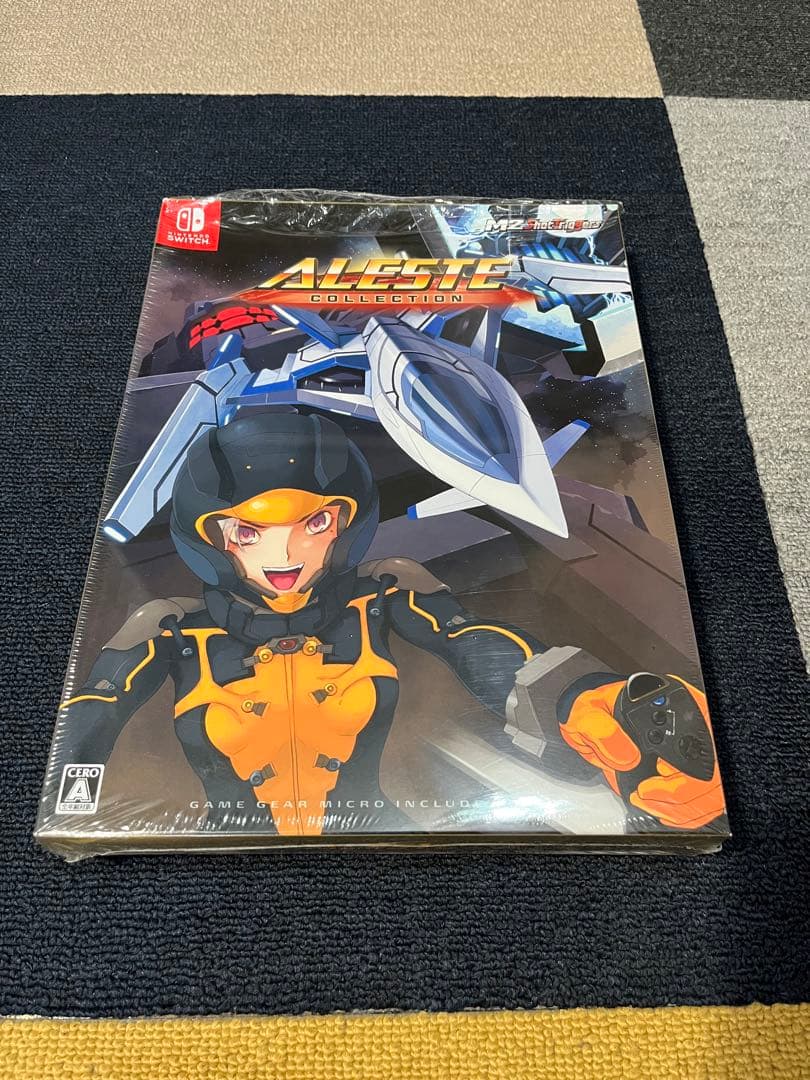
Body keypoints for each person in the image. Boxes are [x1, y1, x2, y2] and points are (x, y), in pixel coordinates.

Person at [56, 413, 725, 836]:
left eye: (315, 521)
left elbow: (472, 641)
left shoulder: (383, 590)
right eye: (248, 531)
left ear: (345, 521)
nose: (285, 554)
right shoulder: (169, 628)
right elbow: (87, 725)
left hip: (379, 842)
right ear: (210, 536)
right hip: (225, 857)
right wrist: (70, 819)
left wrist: (586, 699)